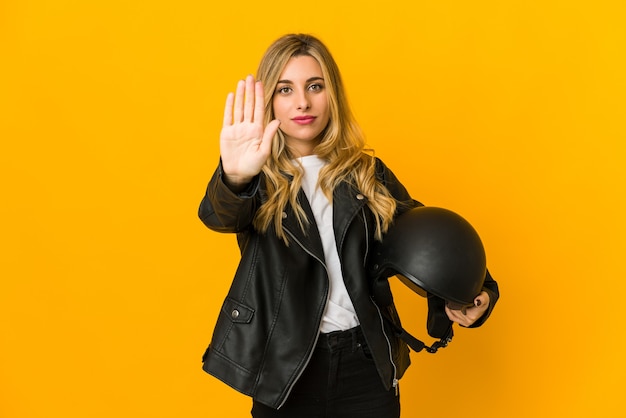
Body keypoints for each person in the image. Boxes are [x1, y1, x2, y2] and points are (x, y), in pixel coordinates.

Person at [198, 33, 499, 418]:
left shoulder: (366, 175)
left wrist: (478, 290)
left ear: (332, 95)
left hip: (365, 364)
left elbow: (424, 238)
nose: (302, 102)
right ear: (269, 100)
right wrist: (235, 177)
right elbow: (219, 217)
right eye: (285, 89)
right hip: (286, 367)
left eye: (315, 86)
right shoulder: (255, 179)